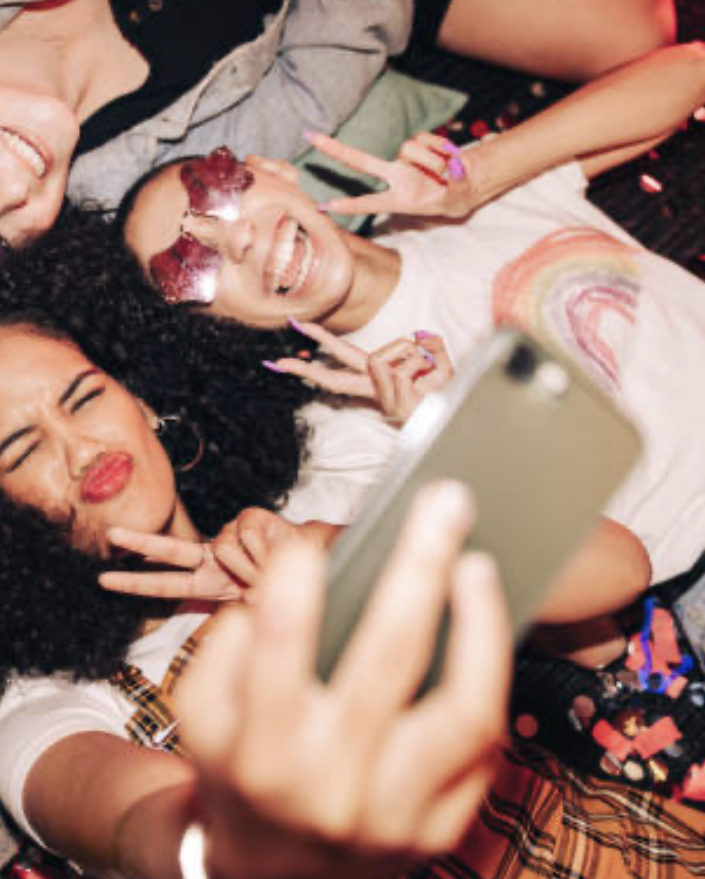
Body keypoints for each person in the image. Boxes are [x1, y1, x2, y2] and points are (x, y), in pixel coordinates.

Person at [0, 225, 705, 879]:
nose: (81, 446)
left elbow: (614, 568)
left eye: (84, 396)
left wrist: (326, 553)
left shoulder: (320, 502)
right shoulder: (51, 716)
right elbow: (159, 842)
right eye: (23, 449)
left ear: (141, 399)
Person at [119, 41, 705, 589]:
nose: (240, 240)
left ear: (273, 170)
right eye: (193, 267)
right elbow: (584, 578)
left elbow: (690, 71)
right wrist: (447, 435)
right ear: (217, 328)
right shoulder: (344, 438)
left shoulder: (456, 196)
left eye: (219, 197)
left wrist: (485, 172)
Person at [0, 0, 677, 319]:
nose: (11, 188)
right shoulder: (129, 189)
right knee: (642, 34)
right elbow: (318, 78)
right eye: (0, 239)